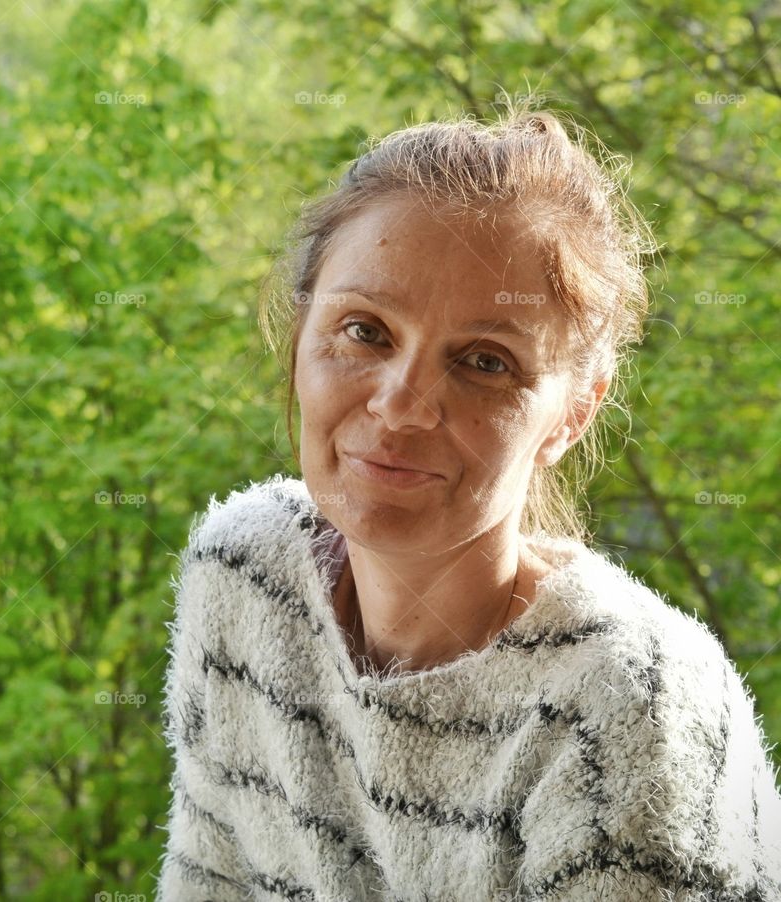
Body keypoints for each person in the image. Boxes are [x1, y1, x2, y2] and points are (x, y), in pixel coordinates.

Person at [154, 106, 781, 900]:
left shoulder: (631, 706)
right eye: (365, 331)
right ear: (300, 329)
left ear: (574, 413)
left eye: (486, 361)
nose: (401, 404)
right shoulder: (243, 576)